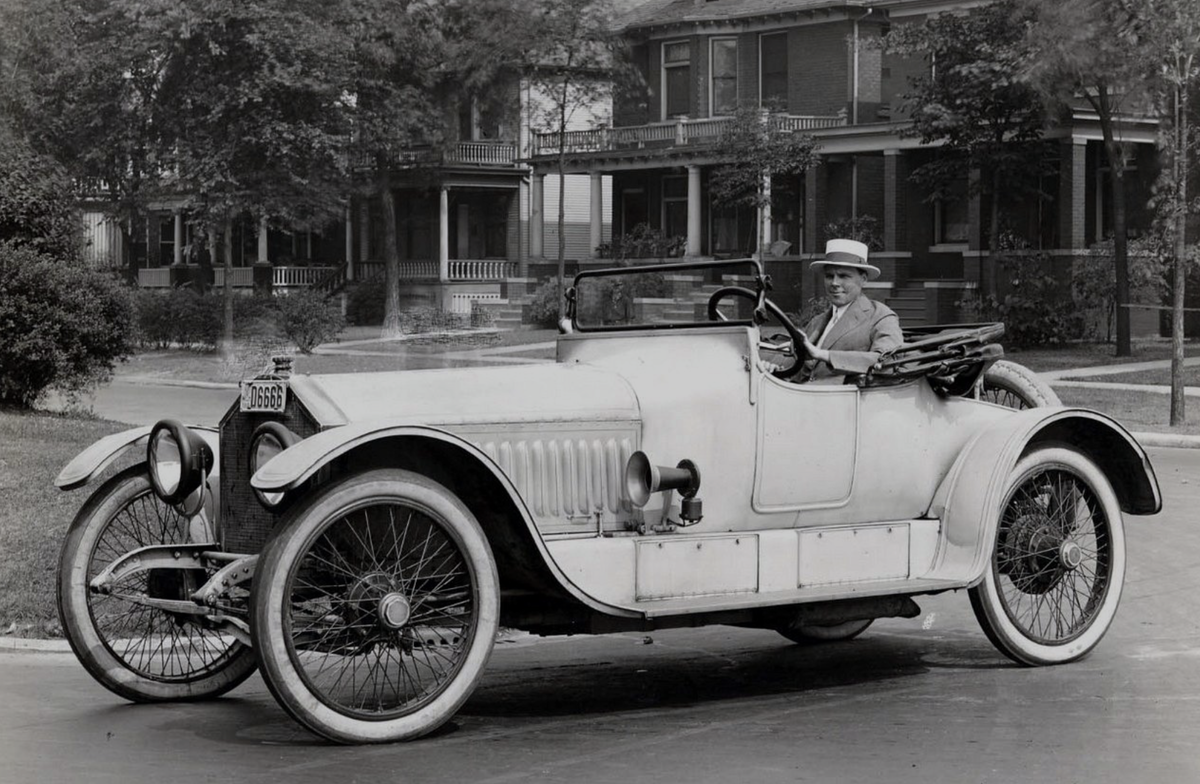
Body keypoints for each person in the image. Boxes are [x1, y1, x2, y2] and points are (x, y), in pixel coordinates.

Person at [792, 239, 903, 382]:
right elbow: (803, 370)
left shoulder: (881, 317)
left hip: (848, 401)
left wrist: (823, 355)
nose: (834, 283)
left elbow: (888, 362)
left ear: (863, 279)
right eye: (829, 276)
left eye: (844, 276)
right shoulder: (817, 322)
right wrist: (774, 368)